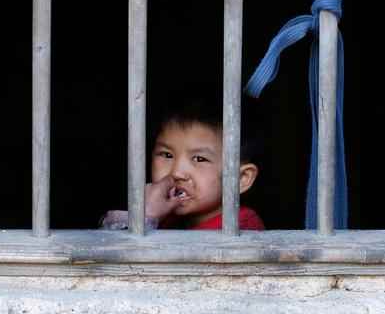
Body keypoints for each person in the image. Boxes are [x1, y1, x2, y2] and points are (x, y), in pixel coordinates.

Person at [101, 95, 265, 231]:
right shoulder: (163, 216)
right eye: (167, 155)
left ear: (241, 178)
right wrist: (142, 216)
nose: (177, 173)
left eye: (199, 159)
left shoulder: (241, 228)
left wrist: (144, 220)